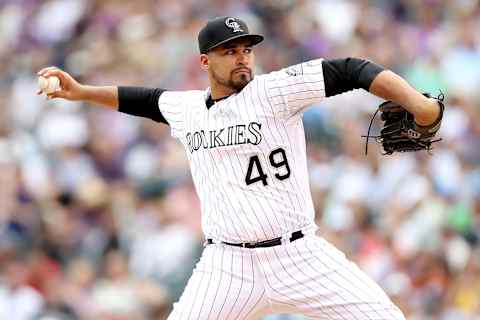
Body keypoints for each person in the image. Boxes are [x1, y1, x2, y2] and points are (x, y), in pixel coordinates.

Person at [37, 16, 442, 320]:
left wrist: (421, 107)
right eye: (230, 51)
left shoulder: (274, 91)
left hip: (300, 255)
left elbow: (353, 69)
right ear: (204, 60)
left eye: (246, 49)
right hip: (228, 266)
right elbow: (142, 99)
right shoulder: (188, 108)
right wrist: (82, 93)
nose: (242, 57)